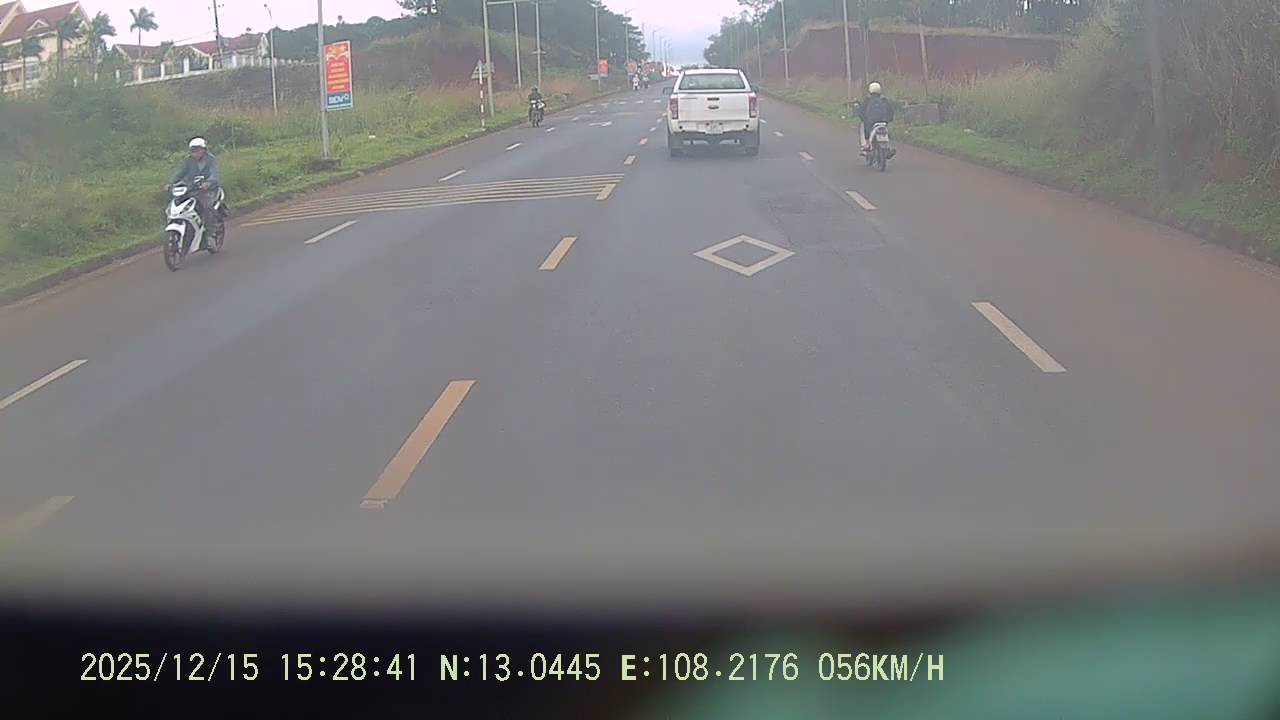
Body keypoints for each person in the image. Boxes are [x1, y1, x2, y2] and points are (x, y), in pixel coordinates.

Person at [169, 137, 223, 233]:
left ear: (203, 150)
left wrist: (208, 183)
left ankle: (210, 229)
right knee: (176, 202)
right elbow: (180, 173)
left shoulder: (211, 160)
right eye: (193, 150)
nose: (195, 153)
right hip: (192, 188)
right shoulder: (188, 161)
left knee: (206, 206)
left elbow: (214, 174)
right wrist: (171, 183)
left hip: (208, 190)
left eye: (197, 150)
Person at [858, 81, 896, 157]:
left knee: (863, 127)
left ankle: (866, 144)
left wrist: (864, 119)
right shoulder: (884, 99)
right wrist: (888, 120)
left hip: (870, 123)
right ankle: (887, 149)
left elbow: (861, 111)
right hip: (883, 122)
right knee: (886, 132)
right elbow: (890, 111)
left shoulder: (867, 100)